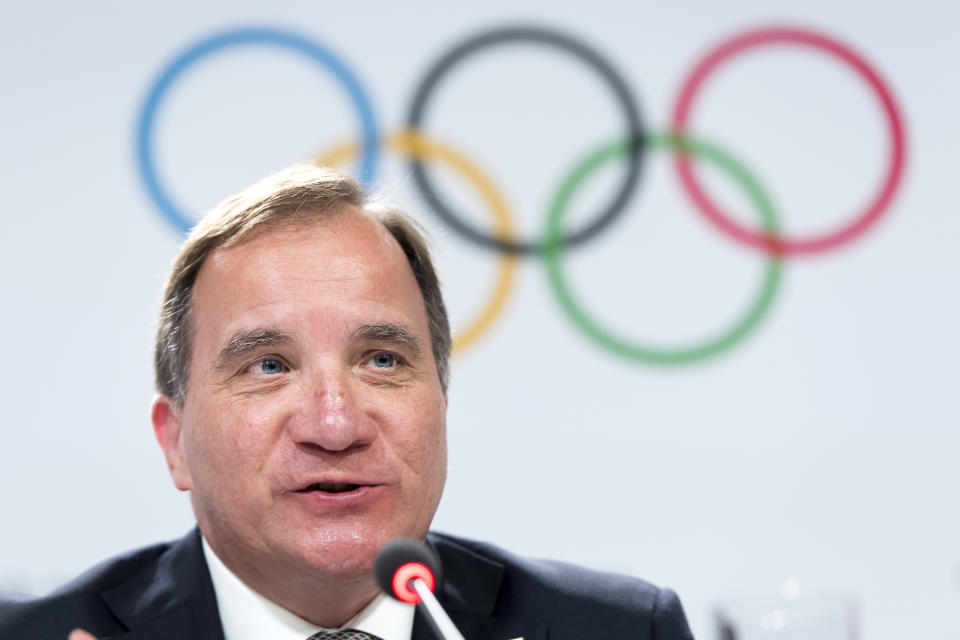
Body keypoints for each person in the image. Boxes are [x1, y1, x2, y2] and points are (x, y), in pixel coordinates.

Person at [0, 163, 695, 640]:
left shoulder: (619, 630)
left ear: (441, 405)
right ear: (174, 440)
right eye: (269, 365)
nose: (335, 425)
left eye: (382, 360)